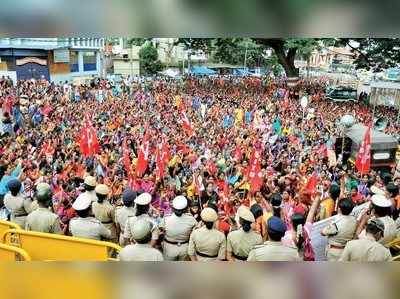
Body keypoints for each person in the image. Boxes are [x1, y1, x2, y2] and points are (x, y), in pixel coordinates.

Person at [160, 195, 197, 261]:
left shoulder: (166, 218)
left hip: (169, 248)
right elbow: (197, 228)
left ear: (173, 208)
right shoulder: (191, 219)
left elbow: (161, 230)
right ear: (185, 209)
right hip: (184, 248)